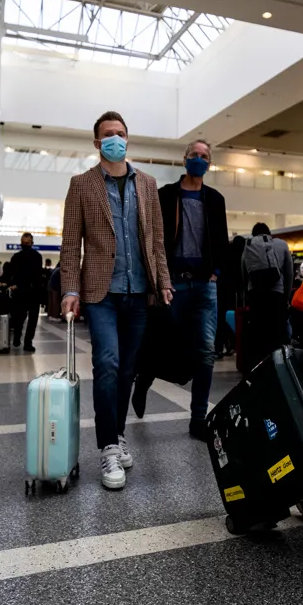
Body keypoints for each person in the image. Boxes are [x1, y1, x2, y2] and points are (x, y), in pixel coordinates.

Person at [60, 110, 171, 490]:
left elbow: (155, 240)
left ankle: (118, 433)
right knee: (107, 364)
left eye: (120, 133)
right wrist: (70, 290)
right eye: (108, 134)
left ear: (128, 139)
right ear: (96, 143)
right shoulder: (81, 185)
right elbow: (70, 242)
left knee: (127, 370)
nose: (115, 139)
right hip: (99, 292)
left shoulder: (148, 185)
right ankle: (108, 446)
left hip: (139, 291)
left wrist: (164, 281)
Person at [131, 139, 230, 442]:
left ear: (209, 163)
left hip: (203, 286)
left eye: (204, 157)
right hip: (172, 283)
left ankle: (197, 418)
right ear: (184, 159)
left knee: (205, 352)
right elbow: (151, 240)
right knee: (162, 343)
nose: (199, 160)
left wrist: (215, 274)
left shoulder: (215, 199)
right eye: (194, 155)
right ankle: (144, 379)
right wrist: (156, 281)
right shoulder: (166, 195)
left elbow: (222, 242)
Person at [239, 222, 294, 373]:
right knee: (278, 333)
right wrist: (286, 297)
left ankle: (259, 369)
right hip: (277, 296)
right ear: (269, 234)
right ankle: (281, 368)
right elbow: (289, 273)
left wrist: (246, 299)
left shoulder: (248, 247)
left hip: (255, 297)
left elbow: (244, 276)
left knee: (259, 334)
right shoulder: (281, 244)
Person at [8, 233, 44, 351]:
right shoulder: (16, 257)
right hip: (20, 292)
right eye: (23, 243)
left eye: (27, 243)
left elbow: (38, 276)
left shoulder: (37, 257)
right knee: (19, 318)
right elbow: (12, 274)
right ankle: (17, 336)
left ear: (32, 243)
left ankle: (28, 342)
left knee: (33, 320)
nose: (25, 245)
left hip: (33, 292)